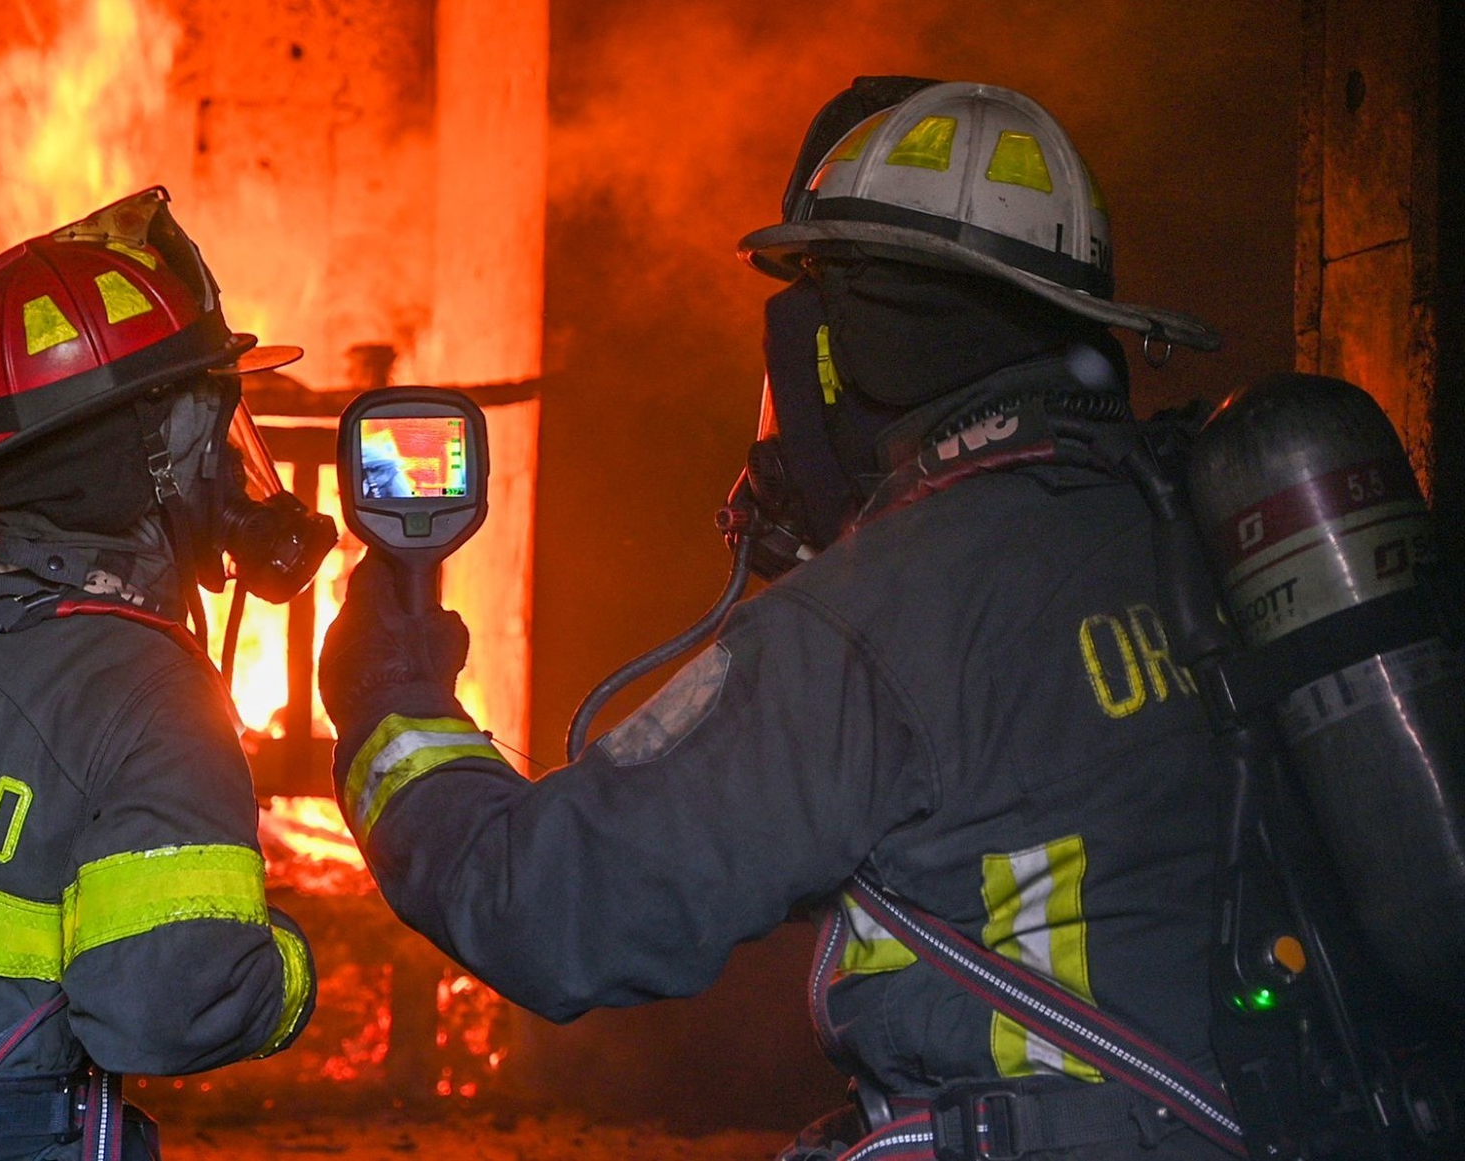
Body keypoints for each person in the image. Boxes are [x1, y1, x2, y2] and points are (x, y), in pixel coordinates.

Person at [319, 80, 1242, 1159]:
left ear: (836, 346)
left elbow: (547, 907)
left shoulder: (869, 624)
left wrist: (390, 703)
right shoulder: (1202, 526)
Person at [0, 188, 334, 1159]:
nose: (230, 473)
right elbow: (161, 1008)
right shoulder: (148, 690)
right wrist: (288, 971)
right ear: (168, 445)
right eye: (219, 430)